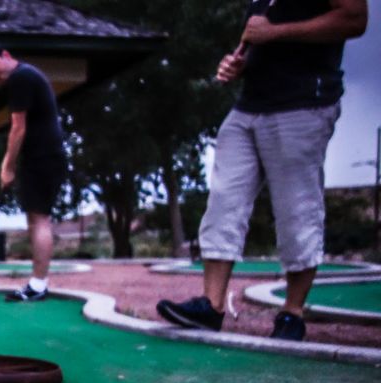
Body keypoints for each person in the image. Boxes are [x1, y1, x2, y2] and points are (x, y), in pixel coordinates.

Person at [157, 0, 368, 341]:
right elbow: (263, 43)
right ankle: (211, 306)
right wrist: (238, 63)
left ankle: (292, 312)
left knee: (296, 207)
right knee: (224, 199)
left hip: (304, 101)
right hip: (250, 104)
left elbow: (355, 18)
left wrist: (274, 32)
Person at [0, 47, 67, 302]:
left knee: (39, 220)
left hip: (42, 157)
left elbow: (18, 127)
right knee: (36, 218)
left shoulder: (21, 78)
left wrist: (7, 166)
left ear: (5, 55)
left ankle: (38, 285)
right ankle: (38, 282)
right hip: (43, 156)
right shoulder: (26, 76)